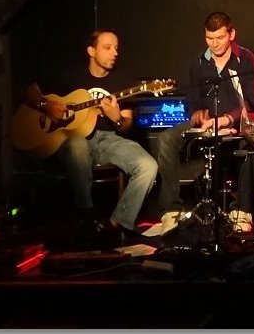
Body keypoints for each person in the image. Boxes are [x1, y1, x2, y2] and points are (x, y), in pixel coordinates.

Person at [23, 29, 158, 247]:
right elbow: (30, 91)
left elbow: (126, 125)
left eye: (116, 48)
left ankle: (116, 224)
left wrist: (117, 119)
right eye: (107, 47)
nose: (114, 53)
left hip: (109, 139)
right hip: (74, 138)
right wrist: (46, 105)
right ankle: (87, 214)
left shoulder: (123, 82)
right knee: (76, 144)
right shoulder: (70, 76)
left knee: (148, 165)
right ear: (91, 51)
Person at [154, 11, 254, 235]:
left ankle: (242, 210)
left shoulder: (247, 60)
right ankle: (171, 210)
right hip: (206, 125)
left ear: (231, 34)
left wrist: (226, 119)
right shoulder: (198, 63)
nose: (215, 44)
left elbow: (253, 101)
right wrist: (197, 114)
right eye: (209, 38)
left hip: (237, 123)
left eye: (220, 38)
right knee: (166, 139)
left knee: (251, 144)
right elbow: (191, 100)